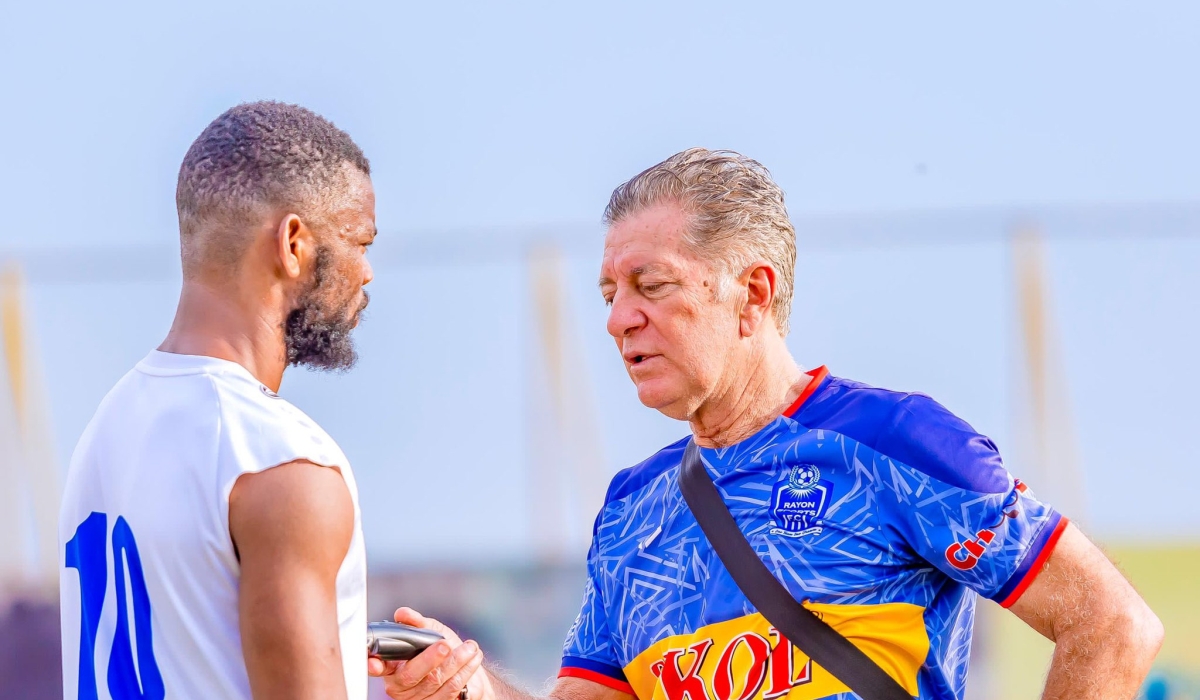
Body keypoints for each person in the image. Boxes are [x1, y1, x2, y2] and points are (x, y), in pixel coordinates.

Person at [375, 149, 1163, 700]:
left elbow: (1112, 625)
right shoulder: (632, 508)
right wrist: (465, 684)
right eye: (608, 292)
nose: (618, 319)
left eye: (650, 284)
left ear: (753, 293)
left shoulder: (893, 444)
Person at [57, 101, 410, 700]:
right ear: (293, 243)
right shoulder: (279, 460)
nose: (368, 272)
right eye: (360, 241)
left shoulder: (108, 428)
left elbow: (188, 635)